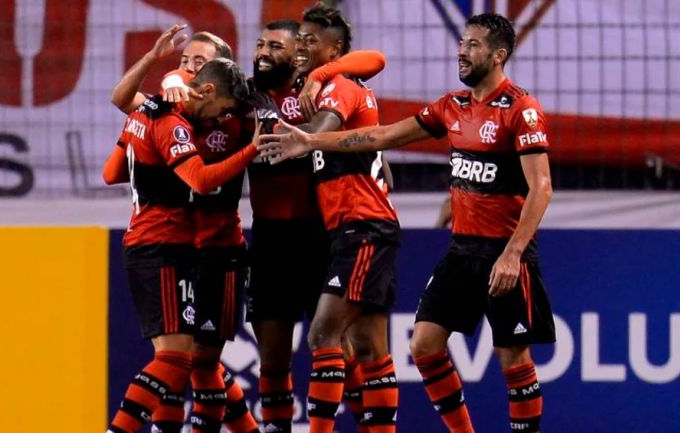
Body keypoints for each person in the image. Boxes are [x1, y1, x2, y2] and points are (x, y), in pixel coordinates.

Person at [259, 12, 556, 433]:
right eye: (462, 43)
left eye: (473, 45)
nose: (462, 51)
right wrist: (311, 140)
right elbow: (383, 136)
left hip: (506, 253)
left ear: (499, 55)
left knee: (512, 357)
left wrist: (512, 255)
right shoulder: (452, 107)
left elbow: (541, 187)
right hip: (461, 251)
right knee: (424, 345)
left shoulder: (520, 109)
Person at [243, 17, 387, 433]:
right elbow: (200, 79)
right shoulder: (245, 94)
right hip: (269, 237)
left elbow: (375, 58)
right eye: (260, 45)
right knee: (271, 353)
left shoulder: (320, 91)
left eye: (276, 47)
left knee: (338, 345)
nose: (264, 54)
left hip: (319, 235)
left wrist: (322, 72)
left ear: (298, 55)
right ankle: (276, 428)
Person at [103, 58, 258, 433]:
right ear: (204, 89)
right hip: (167, 245)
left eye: (198, 60)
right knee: (178, 359)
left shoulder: (155, 109)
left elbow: (110, 171)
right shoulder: (173, 121)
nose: (219, 119)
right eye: (185, 62)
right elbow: (200, 181)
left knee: (195, 361)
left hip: (198, 249)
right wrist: (252, 149)